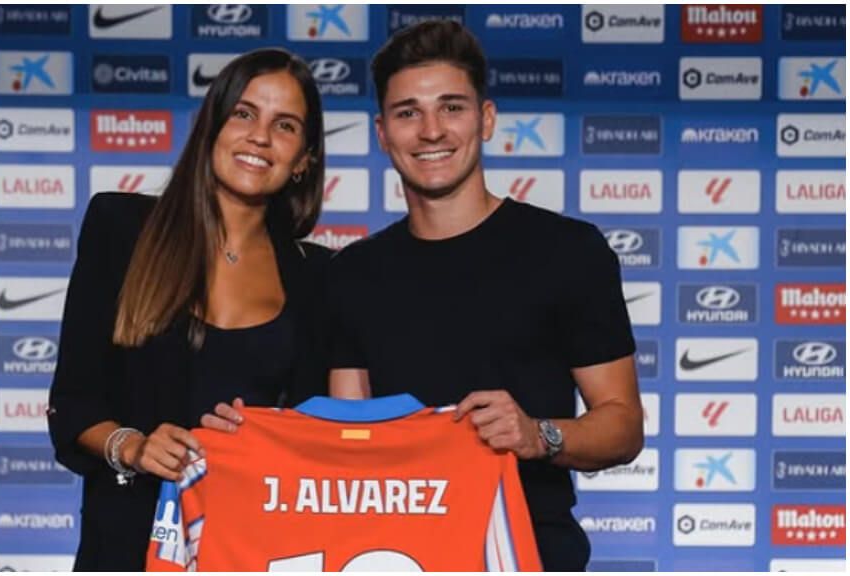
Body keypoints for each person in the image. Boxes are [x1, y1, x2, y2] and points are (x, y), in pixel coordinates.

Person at [209, 21, 643, 571]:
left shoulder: (568, 251)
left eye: (452, 108)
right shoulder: (353, 273)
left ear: (486, 119)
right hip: (395, 557)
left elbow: (623, 425)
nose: (431, 131)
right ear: (382, 133)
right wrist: (248, 440)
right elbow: (344, 436)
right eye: (408, 113)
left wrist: (540, 434)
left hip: (530, 553)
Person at [47, 48, 331, 571]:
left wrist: (267, 435)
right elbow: (73, 403)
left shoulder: (317, 276)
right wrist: (134, 447)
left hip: (255, 550)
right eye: (243, 113)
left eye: (285, 125)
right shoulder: (121, 228)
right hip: (128, 547)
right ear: (212, 127)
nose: (260, 137)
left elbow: (322, 439)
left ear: (304, 160)